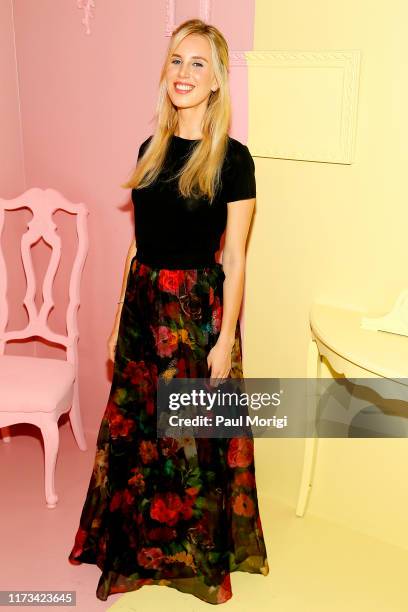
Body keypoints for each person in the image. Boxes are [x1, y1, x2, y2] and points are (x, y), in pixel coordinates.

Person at [68, 17, 269, 605]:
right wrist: (113, 323)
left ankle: (192, 552)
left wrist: (225, 338)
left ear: (216, 82)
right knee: (139, 432)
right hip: (142, 310)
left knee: (190, 438)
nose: (184, 73)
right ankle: (138, 544)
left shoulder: (234, 159)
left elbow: (234, 256)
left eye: (198, 63)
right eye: (177, 60)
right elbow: (138, 245)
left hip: (197, 312)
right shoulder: (148, 150)